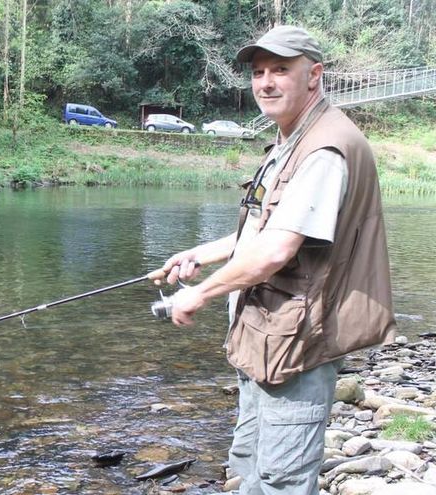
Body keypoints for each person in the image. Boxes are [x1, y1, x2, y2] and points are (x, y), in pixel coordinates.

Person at [149, 26, 396, 494]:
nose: (266, 82)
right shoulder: (291, 139)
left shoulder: (325, 149)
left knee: (282, 478)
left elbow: (278, 250)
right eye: (259, 71)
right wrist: (199, 254)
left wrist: (198, 293)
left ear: (314, 75)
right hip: (266, 337)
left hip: (297, 343)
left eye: (281, 69)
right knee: (250, 461)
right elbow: (263, 228)